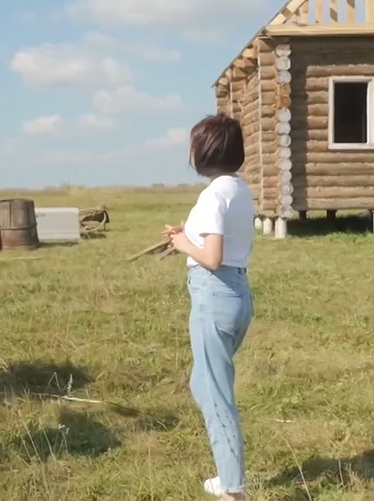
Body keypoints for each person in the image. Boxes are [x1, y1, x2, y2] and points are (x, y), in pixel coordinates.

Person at [163, 114, 256, 501]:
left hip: (213, 295)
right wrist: (185, 236)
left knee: (216, 396)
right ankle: (226, 475)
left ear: (202, 152)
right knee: (203, 384)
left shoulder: (212, 195)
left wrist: (182, 244)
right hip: (236, 294)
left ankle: (232, 490)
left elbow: (213, 257)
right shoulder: (238, 189)